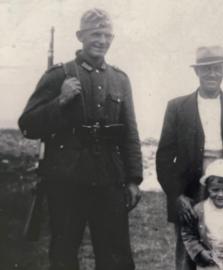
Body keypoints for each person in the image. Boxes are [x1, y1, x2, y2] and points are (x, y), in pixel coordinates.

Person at [18, 8, 142, 270]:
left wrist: (133, 180)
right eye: (96, 34)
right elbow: (28, 124)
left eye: (108, 35)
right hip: (66, 180)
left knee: (115, 256)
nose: (102, 40)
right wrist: (60, 101)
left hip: (110, 178)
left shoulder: (120, 80)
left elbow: (129, 133)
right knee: (63, 254)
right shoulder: (58, 75)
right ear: (80, 36)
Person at [156, 45, 223, 270]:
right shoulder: (177, 107)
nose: (212, 74)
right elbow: (164, 157)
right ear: (197, 72)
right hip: (190, 188)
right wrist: (177, 196)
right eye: (206, 69)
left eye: (217, 69)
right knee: (189, 251)